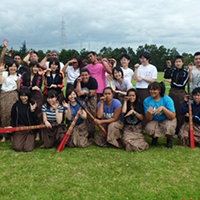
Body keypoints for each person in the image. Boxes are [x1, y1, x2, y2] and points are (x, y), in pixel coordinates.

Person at [144, 82, 177, 148]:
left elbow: (173, 116)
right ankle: (155, 138)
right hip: (155, 120)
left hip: (167, 119)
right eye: (150, 90)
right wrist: (149, 113)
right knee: (149, 129)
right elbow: (149, 119)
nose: (152, 91)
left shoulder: (167, 99)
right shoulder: (147, 101)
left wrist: (163, 108)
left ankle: (169, 139)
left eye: (154, 90)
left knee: (169, 127)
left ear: (159, 90)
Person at [164, 55, 189, 136]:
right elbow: (166, 76)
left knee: (180, 111)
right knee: (171, 110)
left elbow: (182, 84)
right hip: (172, 92)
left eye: (179, 62)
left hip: (180, 93)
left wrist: (171, 82)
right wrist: (168, 67)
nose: (178, 63)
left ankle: (179, 130)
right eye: (176, 62)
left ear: (182, 63)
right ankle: (171, 129)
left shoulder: (185, 73)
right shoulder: (173, 71)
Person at [74, 68, 98, 140]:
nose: (84, 77)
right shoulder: (77, 80)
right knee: (82, 114)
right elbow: (78, 93)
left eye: (86, 75)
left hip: (91, 97)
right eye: (82, 75)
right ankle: (83, 131)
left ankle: (91, 133)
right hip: (81, 98)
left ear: (89, 75)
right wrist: (78, 83)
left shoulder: (93, 80)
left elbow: (93, 92)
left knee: (91, 113)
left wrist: (85, 92)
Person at [0, 59, 21, 142]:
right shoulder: (4, 73)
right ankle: (4, 135)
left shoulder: (18, 76)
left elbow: (19, 90)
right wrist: (1, 72)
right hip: (4, 95)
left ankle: (12, 134)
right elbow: (1, 82)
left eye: (15, 67)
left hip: (13, 95)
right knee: (3, 114)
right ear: (8, 67)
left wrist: (18, 83)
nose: (13, 68)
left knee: (12, 114)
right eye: (11, 66)